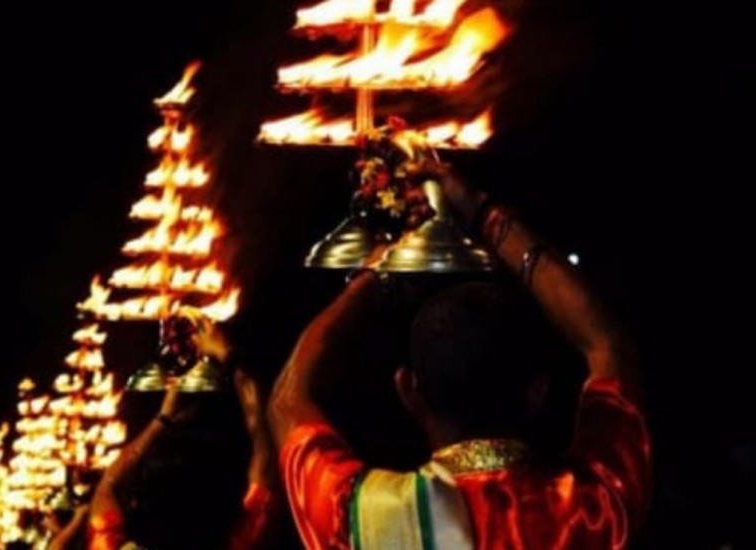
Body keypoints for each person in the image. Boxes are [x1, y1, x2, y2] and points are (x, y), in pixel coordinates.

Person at [269, 165, 651, 549]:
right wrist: (484, 214)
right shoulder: (594, 508)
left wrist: (375, 272)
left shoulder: (363, 519)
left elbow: (289, 400)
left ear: (409, 392)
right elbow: (607, 344)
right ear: (537, 393)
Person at [88, 321, 280, 550]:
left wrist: (163, 418)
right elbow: (263, 444)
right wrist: (229, 357)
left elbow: (108, 485)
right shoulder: (244, 541)